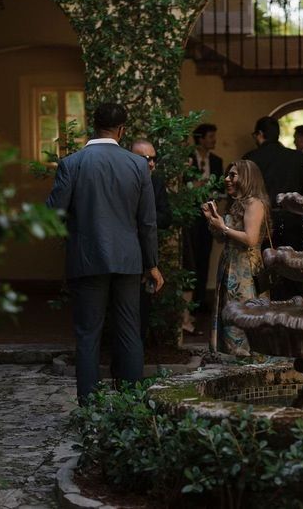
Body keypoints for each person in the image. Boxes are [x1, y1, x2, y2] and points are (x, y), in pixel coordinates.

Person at [46, 102, 164, 403]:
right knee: (129, 331)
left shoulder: (72, 164)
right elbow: (147, 221)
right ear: (122, 130)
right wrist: (152, 263)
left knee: (88, 335)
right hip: (128, 259)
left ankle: (89, 406)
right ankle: (132, 402)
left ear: (93, 125)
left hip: (86, 257)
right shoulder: (138, 165)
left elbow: (52, 214)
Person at [201, 160, 269, 356]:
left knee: (242, 318)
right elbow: (223, 238)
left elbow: (250, 239)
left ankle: (244, 363)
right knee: (230, 316)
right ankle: (232, 361)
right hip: (230, 268)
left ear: (247, 178)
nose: (227, 179)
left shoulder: (254, 203)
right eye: (227, 175)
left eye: (233, 175)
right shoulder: (237, 204)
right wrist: (212, 220)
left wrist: (223, 227)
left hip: (245, 272)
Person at [244, 116, 303, 294]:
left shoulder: (250, 159)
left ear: (260, 134)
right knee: (293, 270)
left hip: (261, 222)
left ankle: (266, 306)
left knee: (263, 270)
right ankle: (296, 306)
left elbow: (243, 193)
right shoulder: (297, 158)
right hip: (293, 221)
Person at [130, 139, 173, 342]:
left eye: (154, 158)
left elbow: (166, 217)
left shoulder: (155, 182)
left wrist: (145, 216)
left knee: (142, 312)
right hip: (121, 256)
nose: (152, 163)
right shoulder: (120, 179)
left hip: (145, 258)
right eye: (146, 158)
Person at [186, 123, 222, 314]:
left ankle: (200, 301)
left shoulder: (216, 161)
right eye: (210, 137)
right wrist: (195, 186)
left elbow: (221, 189)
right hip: (189, 214)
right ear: (200, 139)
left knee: (205, 256)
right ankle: (188, 303)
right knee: (189, 257)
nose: (214, 140)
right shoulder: (186, 158)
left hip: (208, 215)